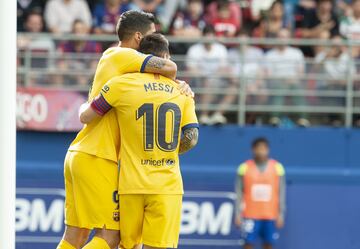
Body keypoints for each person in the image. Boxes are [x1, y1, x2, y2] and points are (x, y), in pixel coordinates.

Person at [56, 10, 192, 249]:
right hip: (99, 156)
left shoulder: (121, 69)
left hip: (81, 153)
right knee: (110, 238)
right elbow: (170, 66)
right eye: (151, 35)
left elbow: (86, 115)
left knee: (75, 236)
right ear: (138, 37)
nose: (153, 39)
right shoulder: (122, 55)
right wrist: (179, 84)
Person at [234, 137, 286, 249]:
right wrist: (238, 214)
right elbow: (239, 193)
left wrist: (281, 214)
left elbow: (281, 193)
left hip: (270, 214)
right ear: (253, 150)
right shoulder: (244, 168)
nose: (261, 151)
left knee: (268, 244)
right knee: (248, 243)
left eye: (264, 148)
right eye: (258, 148)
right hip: (250, 214)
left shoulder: (277, 168)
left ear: (268, 150)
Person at [186, 25, 230, 125]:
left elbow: (223, 69)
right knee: (208, 82)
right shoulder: (194, 49)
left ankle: (218, 114)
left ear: (214, 36)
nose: (208, 39)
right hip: (198, 81)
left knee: (234, 87)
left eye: (210, 36)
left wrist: (212, 77)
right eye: (206, 36)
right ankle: (204, 115)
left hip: (218, 81)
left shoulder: (221, 49)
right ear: (203, 36)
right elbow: (191, 70)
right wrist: (205, 77)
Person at [264, 28, 309, 127]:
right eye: (280, 37)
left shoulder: (297, 53)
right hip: (276, 83)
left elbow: (301, 73)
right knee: (280, 87)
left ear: (289, 38)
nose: (282, 39)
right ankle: (275, 118)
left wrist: (292, 80)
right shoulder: (269, 55)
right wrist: (282, 80)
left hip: (293, 82)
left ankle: (303, 118)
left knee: (296, 88)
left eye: (284, 37)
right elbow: (268, 75)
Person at [57, 19, 102, 86]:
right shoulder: (65, 46)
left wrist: (85, 77)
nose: (79, 33)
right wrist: (76, 76)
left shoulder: (94, 46)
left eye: (81, 30)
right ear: (72, 32)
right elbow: (61, 65)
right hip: (71, 75)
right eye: (76, 30)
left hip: (88, 78)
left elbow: (96, 66)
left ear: (86, 32)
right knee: (58, 70)